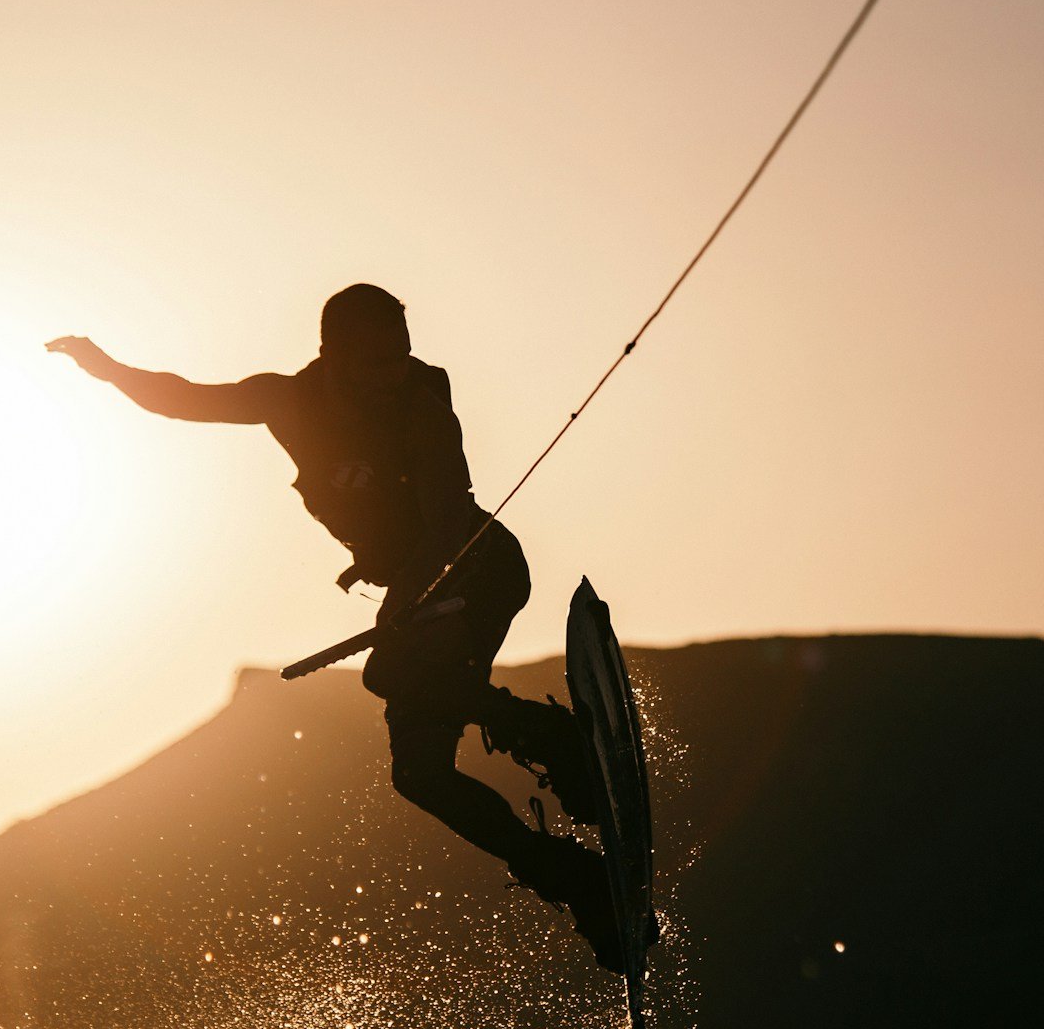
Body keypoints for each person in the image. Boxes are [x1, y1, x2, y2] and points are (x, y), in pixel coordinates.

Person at [48, 283, 648, 971]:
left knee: (391, 673)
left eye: (402, 356)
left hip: (478, 572)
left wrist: (406, 599)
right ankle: (575, 879)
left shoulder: (421, 403)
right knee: (419, 774)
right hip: (419, 597)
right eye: (377, 362)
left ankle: (556, 741)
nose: (394, 374)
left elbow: (450, 510)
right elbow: (187, 397)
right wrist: (106, 367)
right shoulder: (286, 401)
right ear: (332, 356)